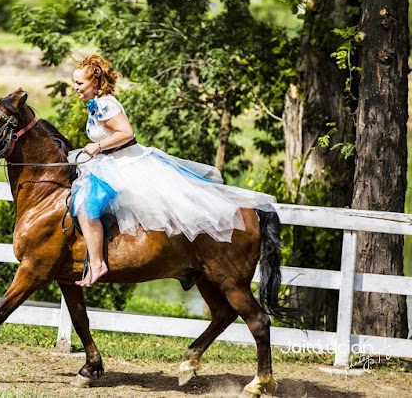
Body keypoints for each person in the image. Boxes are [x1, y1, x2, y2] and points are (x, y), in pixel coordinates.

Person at [68, 54, 276, 287]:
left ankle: (97, 264)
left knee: (86, 206)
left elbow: (127, 134)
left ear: (95, 83)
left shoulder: (105, 104)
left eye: (79, 83)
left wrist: (97, 147)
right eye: (75, 83)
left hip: (123, 164)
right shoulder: (97, 104)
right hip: (111, 162)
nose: (75, 88)